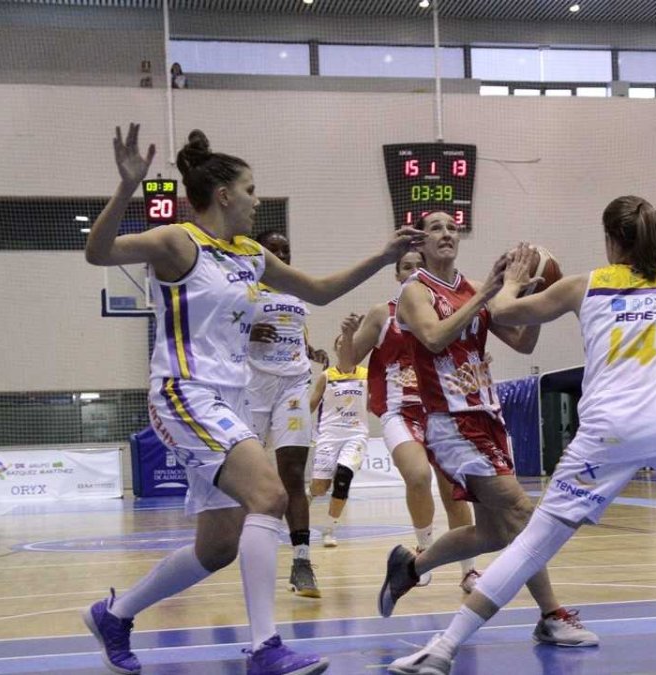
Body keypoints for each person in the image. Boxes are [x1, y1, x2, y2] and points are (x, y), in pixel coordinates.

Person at [387, 197, 656, 675]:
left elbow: (503, 312)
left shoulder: (584, 285)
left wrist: (512, 282)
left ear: (611, 241)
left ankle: (442, 649)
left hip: (607, 432)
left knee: (533, 542)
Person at [81, 125, 422, 675]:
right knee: (270, 495)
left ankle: (114, 614)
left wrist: (382, 257)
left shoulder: (251, 255)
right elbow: (98, 252)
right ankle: (265, 647)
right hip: (184, 392)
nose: (257, 200)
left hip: (229, 399)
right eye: (251, 190)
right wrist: (126, 189)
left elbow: (319, 291)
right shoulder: (177, 242)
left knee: (218, 547)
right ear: (224, 195)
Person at [375, 211, 596, 649]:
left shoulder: (474, 288)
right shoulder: (415, 291)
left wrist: (532, 295)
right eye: (436, 228)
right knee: (520, 511)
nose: (446, 233)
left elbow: (523, 342)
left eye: (452, 228)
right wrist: (486, 295)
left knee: (494, 533)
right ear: (422, 241)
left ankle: (410, 567)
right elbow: (434, 338)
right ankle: (550, 615)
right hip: (450, 422)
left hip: (488, 417)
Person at [337, 249, 480, 592]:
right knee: (417, 476)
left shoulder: (446, 310)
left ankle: (469, 571)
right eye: (407, 267)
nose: (414, 271)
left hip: (443, 409)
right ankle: (424, 551)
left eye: (420, 266)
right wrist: (348, 337)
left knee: (454, 490)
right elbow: (345, 364)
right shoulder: (382, 314)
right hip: (399, 410)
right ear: (398, 275)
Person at [245, 231, 321, 598]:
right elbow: (216, 334)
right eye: (272, 249)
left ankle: (302, 562)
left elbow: (294, 335)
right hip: (253, 387)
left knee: (292, 472)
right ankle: (245, 547)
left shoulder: (297, 292)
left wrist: (311, 351)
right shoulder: (243, 290)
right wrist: (246, 331)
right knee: (249, 477)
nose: (280, 254)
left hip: (293, 386)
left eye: (285, 249)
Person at [307, 335, 368, 549]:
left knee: (343, 476)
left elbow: (376, 402)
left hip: (356, 434)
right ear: (336, 348)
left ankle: (330, 530)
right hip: (329, 435)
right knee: (320, 487)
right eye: (340, 343)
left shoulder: (366, 375)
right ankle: (310, 493)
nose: (344, 345)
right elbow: (311, 405)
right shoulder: (327, 376)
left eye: (348, 342)